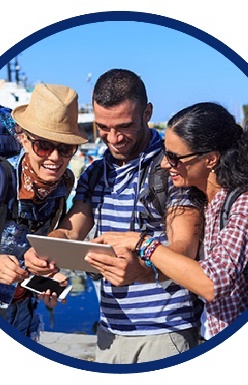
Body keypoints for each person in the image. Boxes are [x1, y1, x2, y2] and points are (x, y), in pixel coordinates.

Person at [24, 69, 205, 363]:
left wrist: (143, 271)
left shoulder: (175, 171)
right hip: (109, 333)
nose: (114, 138)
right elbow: (72, 230)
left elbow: (184, 249)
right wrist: (45, 249)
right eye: (103, 128)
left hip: (166, 334)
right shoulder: (96, 172)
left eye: (124, 126)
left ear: (147, 113)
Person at [86, 101, 248, 341]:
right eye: (164, 153)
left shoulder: (246, 203)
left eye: (174, 157)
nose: (164, 164)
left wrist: (142, 243)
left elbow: (214, 283)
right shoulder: (206, 201)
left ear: (211, 159)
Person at [0, 83, 88, 339]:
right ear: (23, 138)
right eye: (44, 146)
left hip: (23, 316)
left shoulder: (63, 184)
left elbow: (32, 253)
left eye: (66, 148)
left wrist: (48, 275)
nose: (55, 158)